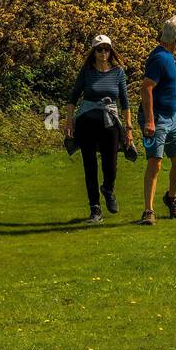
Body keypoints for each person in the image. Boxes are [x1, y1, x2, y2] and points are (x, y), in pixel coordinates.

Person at [64, 34, 131, 224]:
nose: (104, 53)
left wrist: (129, 128)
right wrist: (69, 122)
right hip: (87, 121)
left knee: (110, 164)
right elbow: (73, 98)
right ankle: (95, 208)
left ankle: (108, 189)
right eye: (100, 50)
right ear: (94, 53)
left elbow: (125, 103)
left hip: (109, 122)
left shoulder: (118, 72)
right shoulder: (87, 71)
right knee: (90, 165)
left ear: (111, 52)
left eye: (107, 49)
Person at [137, 15, 176, 225]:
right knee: (155, 163)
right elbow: (146, 88)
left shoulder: (168, 57)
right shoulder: (160, 58)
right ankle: (148, 211)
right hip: (157, 119)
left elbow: (171, 90)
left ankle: (171, 197)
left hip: (172, 118)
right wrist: (150, 121)